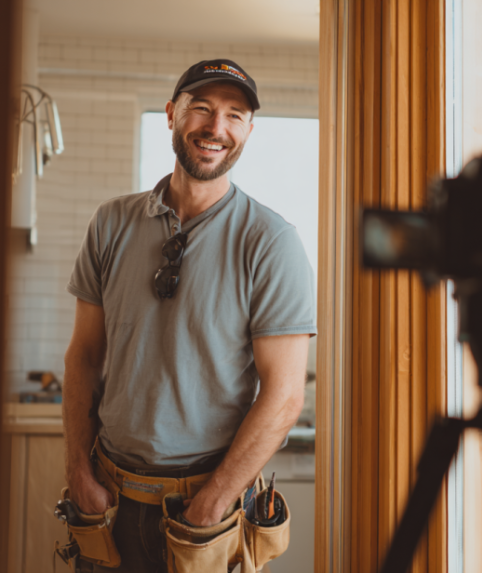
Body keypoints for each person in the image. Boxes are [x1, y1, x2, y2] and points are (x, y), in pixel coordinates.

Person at [62, 59, 317, 573]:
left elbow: (285, 395)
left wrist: (212, 504)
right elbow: (84, 355)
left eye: (234, 114)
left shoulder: (271, 242)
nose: (215, 128)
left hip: (206, 516)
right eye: (200, 108)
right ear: (172, 115)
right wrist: (76, 470)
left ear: (248, 130)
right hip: (107, 501)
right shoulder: (111, 222)